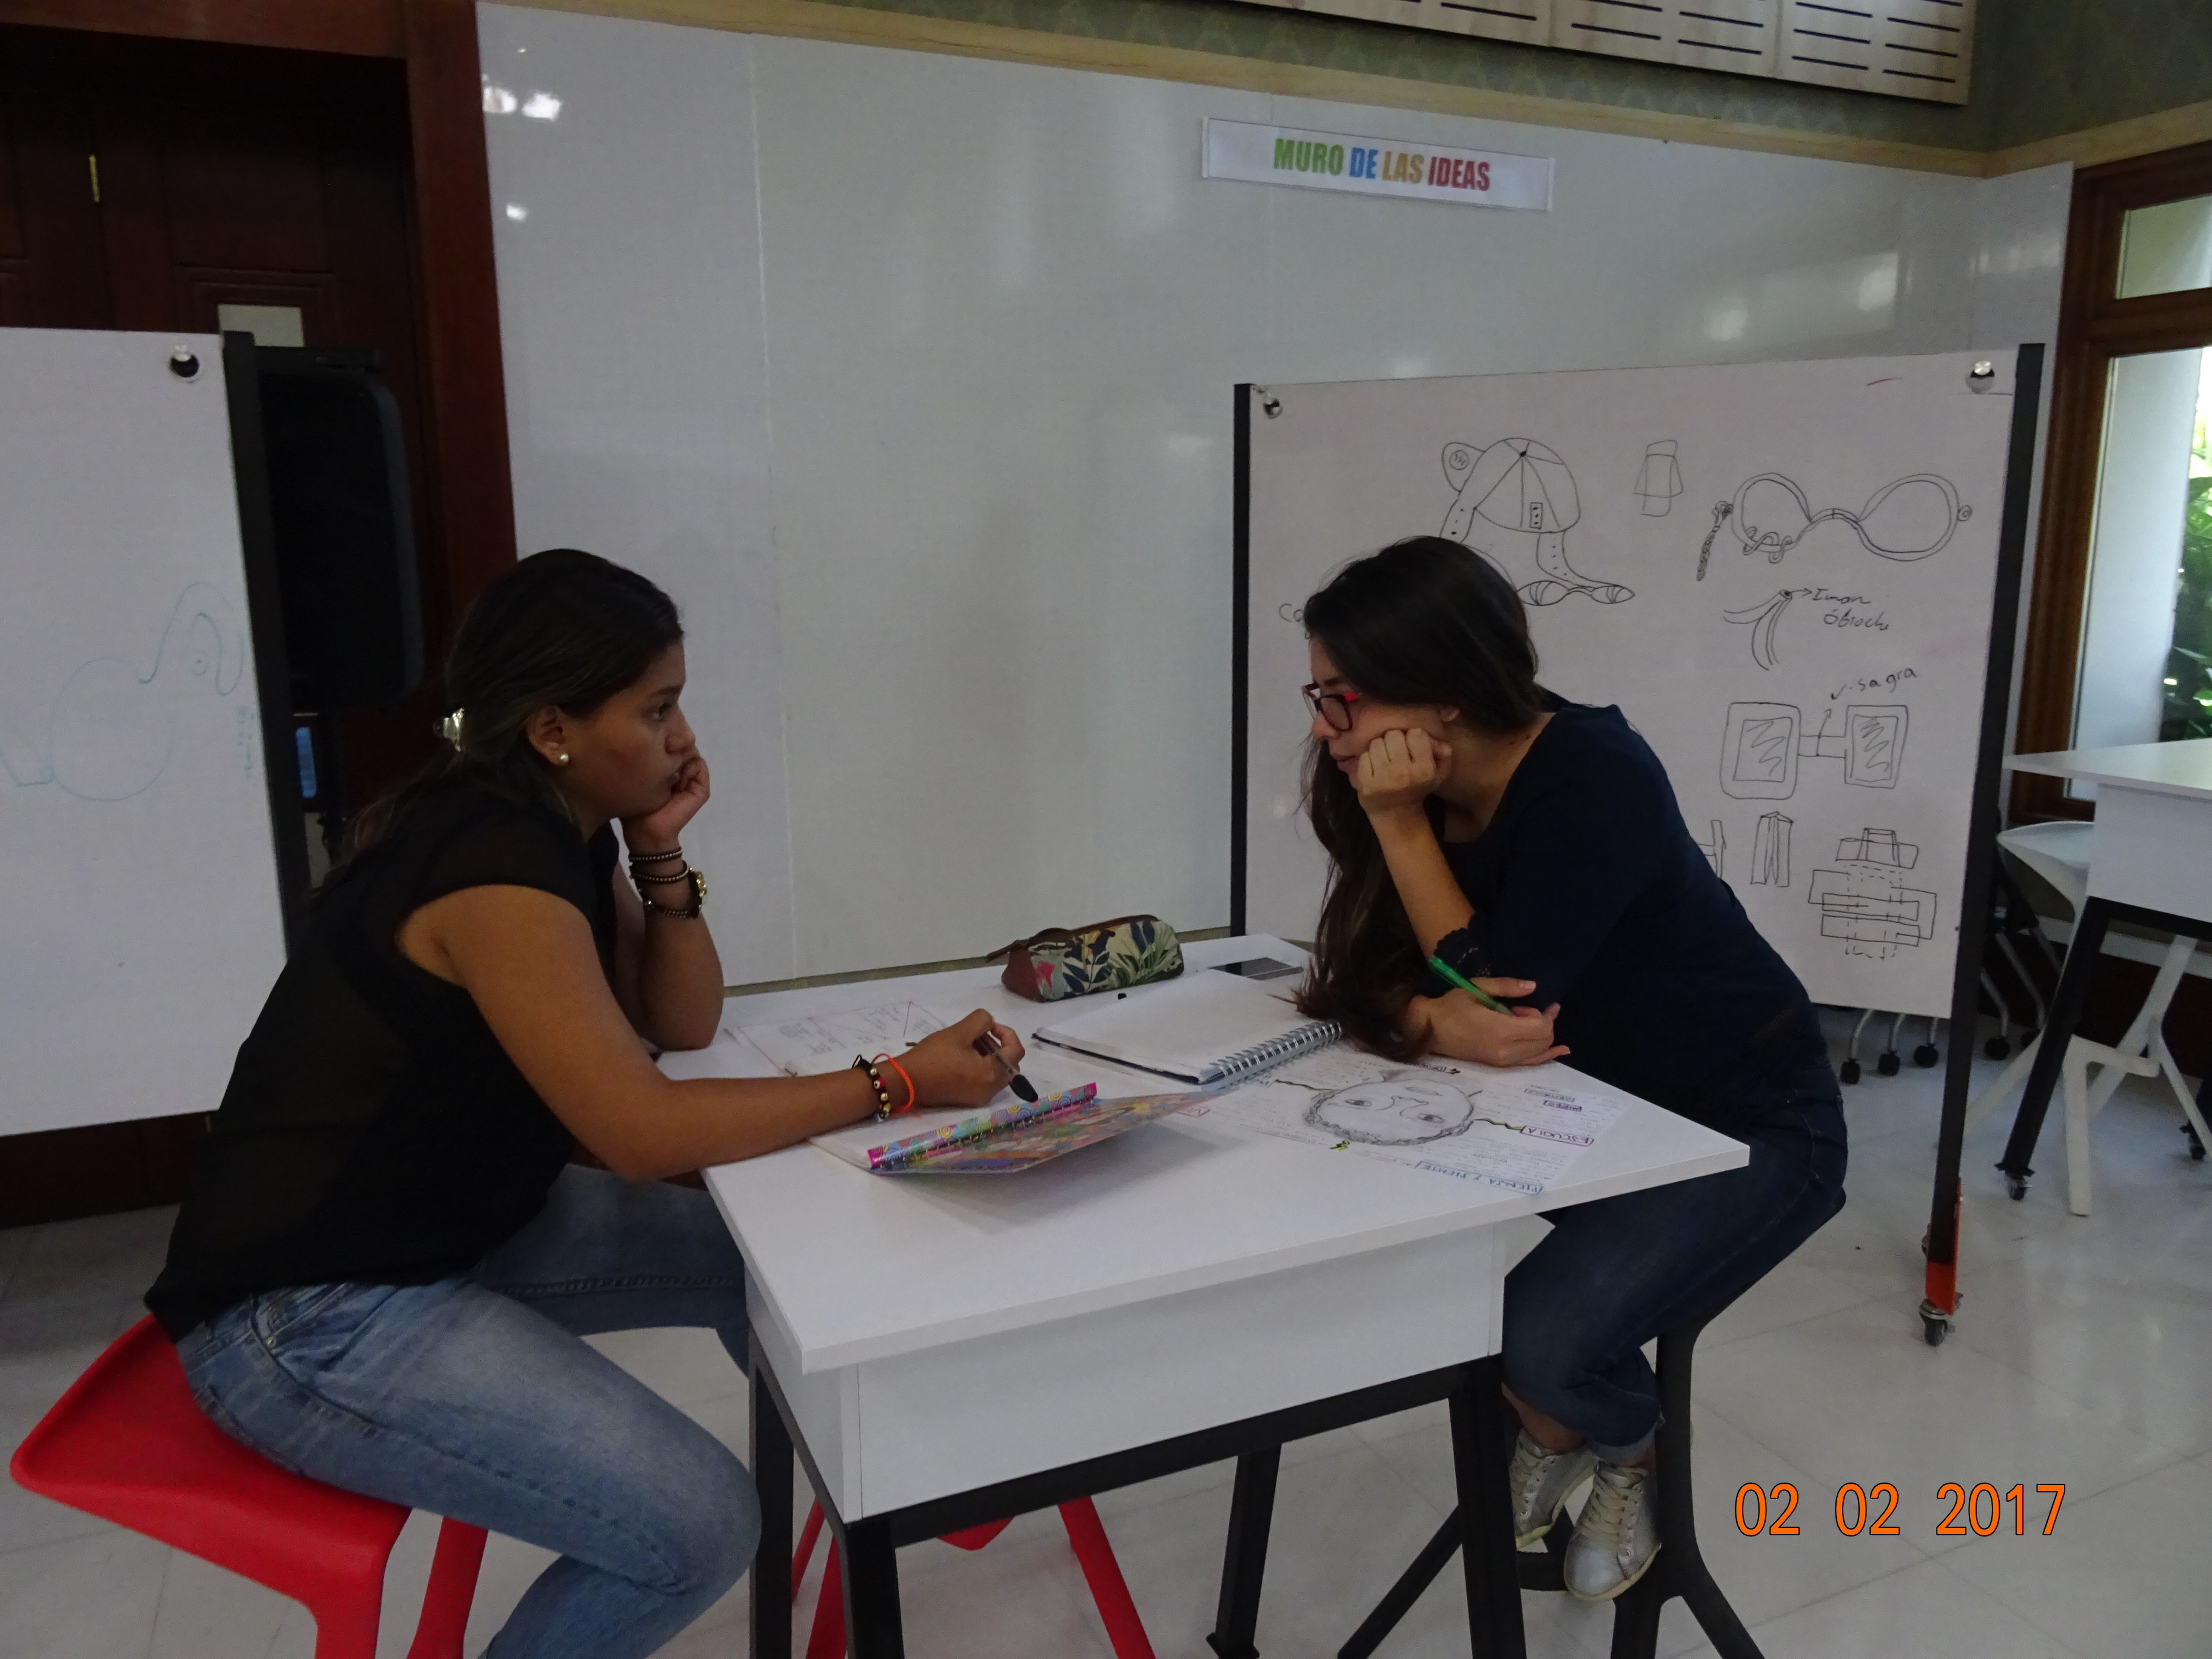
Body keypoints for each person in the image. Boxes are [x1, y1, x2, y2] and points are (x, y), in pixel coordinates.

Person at [146, 549, 1025, 1659]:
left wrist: (660, 852)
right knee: (699, 1528)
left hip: (455, 1229)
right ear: (554, 727)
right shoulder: (492, 870)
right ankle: (907, 1480)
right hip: (310, 1313)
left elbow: (682, 1020)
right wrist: (895, 1082)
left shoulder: (553, 823)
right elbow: (639, 1131)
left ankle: (904, 1477)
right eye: (657, 709)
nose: (683, 737)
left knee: (769, 1262)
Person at [1294, 535, 1846, 1602]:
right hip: (1582, 1118)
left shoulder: (1596, 777)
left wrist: (1400, 829)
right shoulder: (1373, 773)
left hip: (1748, 1124)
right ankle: (1559, 1426)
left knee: (1534, 1341)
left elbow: (1501, 999)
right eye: (1317, 697)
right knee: (1440, 1303)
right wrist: (1431, 1018)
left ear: (1441, 694)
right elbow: (1363, 978)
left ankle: (1627, 1448)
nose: (1326, 728)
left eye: (1341, 698)